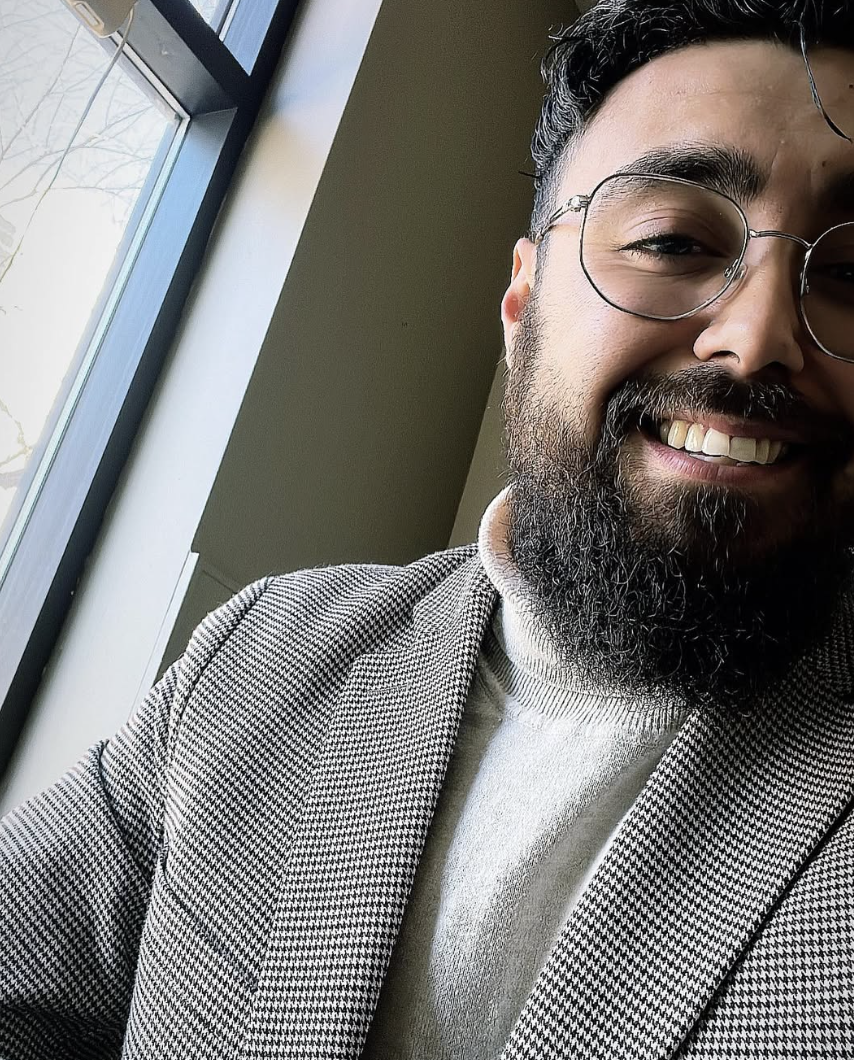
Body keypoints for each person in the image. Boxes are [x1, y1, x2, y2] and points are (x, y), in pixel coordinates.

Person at [3, 0, 854, 1056]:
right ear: (522, 306)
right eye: (673, 240)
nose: (761, 334)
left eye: (849, 273)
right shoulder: (257, 655)